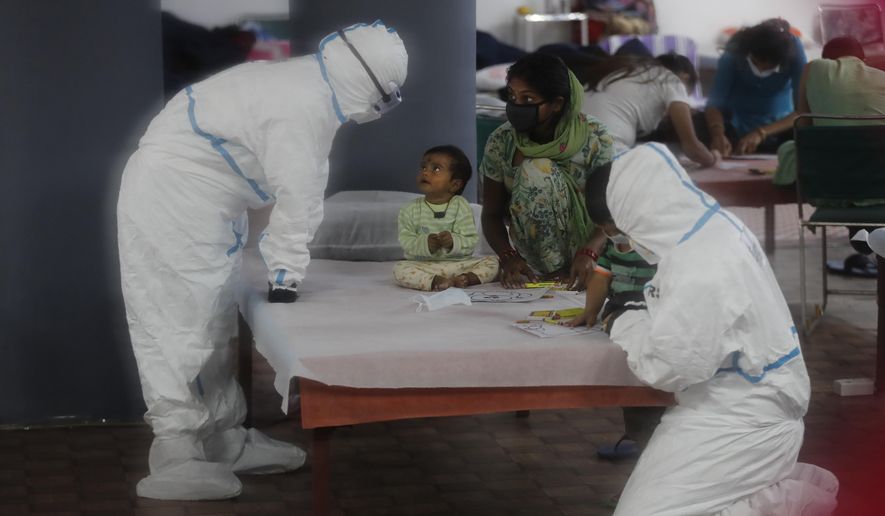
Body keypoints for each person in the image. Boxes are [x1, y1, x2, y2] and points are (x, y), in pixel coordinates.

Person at [116, 22, 408, 501]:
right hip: (173, 200)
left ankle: (224, 439)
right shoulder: (304, 107)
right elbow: (300, 196)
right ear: (367, 85)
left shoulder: (308, 85)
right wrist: (285, 275)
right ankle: (175, 452)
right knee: (178, 324)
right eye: (384, 96)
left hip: (204, 203)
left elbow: (300, 187)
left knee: (212, 324)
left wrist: (282, 267)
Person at [584, 143, 838, 515]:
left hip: (739, 417)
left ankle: (789, 502)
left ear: (632, 214)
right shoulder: (710, 228)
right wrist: (640, 311)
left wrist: (623, 320)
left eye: (614, 231)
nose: (620, 243)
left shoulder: (697, 261)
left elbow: (668, 369)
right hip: (743, 400)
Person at [480, 52, 614, 289]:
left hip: (591, 246)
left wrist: (589, 252)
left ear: (556, 104)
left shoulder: (594, 136)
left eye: (528, 100)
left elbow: (612, 210)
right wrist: (508, 256)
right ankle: (549, 270)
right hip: (533, 253)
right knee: (536, 169)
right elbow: (490, 214)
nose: (516, 106)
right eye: (512, 96)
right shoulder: (502, 141)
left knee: (536, 168)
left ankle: (574, 268)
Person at [774, 36, 885, 278]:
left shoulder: (813, 68)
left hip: (829, 187)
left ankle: (861, 232)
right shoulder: (881, 78)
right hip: (880, 188)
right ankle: (870, 235)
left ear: (826, 60)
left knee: (795, 149)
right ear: (862, 61)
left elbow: (803, 125)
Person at [567, 226, 663, 459]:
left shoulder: (656, 243)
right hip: (621, 311)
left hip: (649, 314)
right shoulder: (612, 245)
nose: (610, 232)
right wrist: (590, 311)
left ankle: (650, 447)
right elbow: (601, 276)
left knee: (648, 386)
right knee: (631, 386)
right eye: (605, 228)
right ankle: (640, 438)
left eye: (613, 224)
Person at [583, 52, 719, 166]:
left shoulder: (628, 71)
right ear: (685, 77)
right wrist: (712, 158)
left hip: (570, 147)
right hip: (605, 153)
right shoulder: (673, 81)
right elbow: (692, 148)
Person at [393, 145, 499, 291]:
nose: (425, 172)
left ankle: (467, 278)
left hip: (459, 264)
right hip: (425, 265)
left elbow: (470, 240)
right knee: (400, 269)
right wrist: (425, 243)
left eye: (435, 169)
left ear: (455, 184)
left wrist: (452, 241)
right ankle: (436, 281)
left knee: (493, 263)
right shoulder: (409, 209)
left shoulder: (461, 206)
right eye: (423, 167)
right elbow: (406, 242)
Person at [704, 18, 807, 156]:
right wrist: (717, 134)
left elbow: (802, 111)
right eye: (756, 62)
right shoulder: (734, 52)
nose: (761, 69)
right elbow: (714, 105)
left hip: (780, 125)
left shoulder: (794, 53)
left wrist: (761, 133)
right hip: (734, 123)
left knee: (807, 135)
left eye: (769, 67)